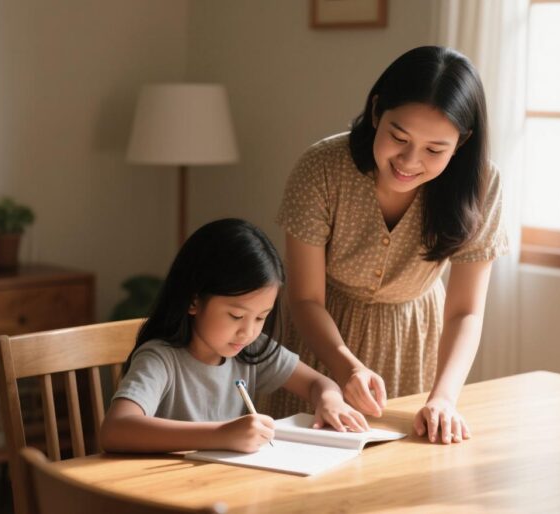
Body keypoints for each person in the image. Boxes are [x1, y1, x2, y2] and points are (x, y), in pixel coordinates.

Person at [263, 46, 508, 444]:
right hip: (320, 344)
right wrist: (346, 368)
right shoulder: (322, 168)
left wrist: (444, 398)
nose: (409, 161)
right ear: (377, 112)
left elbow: (465, 312)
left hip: (414, 344)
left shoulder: (482, 186)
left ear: (461, 142)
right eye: (398, 136)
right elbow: (305, 298)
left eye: (434, 149)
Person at [100, 218, 368, 454]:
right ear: (194, 301)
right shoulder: (160, 360)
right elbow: (115, 429)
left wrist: (329, 400)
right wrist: (219, 435)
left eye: (261, 317)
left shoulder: (250, 351)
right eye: (236, 316)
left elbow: (318, 384)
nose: (248, 331)